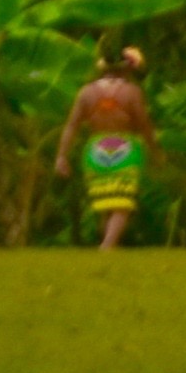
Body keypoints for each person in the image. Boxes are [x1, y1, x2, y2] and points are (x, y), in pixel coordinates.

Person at [53, 52, 156, 250]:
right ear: (127, 69)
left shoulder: (86, 92)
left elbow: (71, 126)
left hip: (96, 150)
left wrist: (61, 156)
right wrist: (154, 148)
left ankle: (107, 243)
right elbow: (144, 124)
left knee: (106, 203)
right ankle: (107, 246)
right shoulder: (132, 92)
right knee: (122, 203)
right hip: (125, 149)